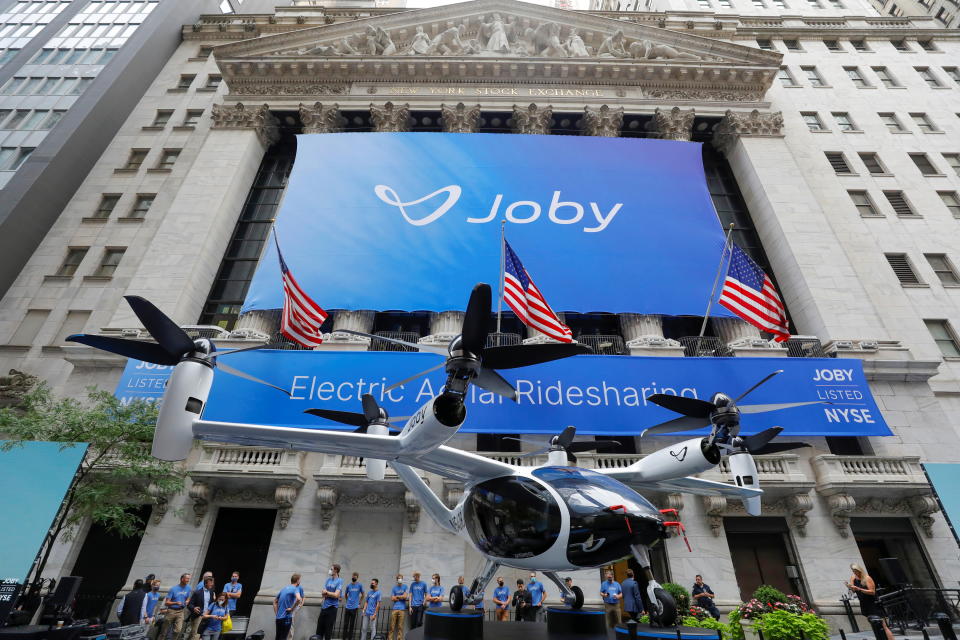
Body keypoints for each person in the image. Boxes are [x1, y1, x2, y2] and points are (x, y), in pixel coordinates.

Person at [847, 564, 894, 640]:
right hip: (864, 604)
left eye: (856, 571)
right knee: (874, 625)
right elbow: (853, 590)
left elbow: (872, 592)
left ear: (860, 570)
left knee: (883, 625)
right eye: (853, 571)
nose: (855, 573)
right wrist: (850, 587)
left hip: (873, 603)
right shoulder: (853, 577)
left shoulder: (867, 578)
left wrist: (859, 589)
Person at [160, 574, 192, 640]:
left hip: (181, 611)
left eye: (189, 579)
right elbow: (167, 602)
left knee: (178, 630)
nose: (188, 580)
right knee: (164, 631)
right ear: (182, 579)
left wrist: (187, 601)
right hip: (171, 611)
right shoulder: (173, 589)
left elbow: (188, 598)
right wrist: (176, 603)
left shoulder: (189, 588)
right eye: (187, 579)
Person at [318, 564, 343, 640]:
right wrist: (328, 594)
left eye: (331, 569)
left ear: (336, 570)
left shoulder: (340, 581)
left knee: (328, 630)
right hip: (324, 607)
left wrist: (327, 593)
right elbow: (323, 593)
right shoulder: (328, 580)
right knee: (319, 630)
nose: (330, 570)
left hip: (332, 608)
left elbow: (336, 595)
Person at [274, 574, 303, 640]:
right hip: (286, 618)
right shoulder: (295, 589)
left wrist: (277, 614)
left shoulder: (283, 589)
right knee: (283, 638)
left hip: (278, 618)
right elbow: (299, 599)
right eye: (300, 580)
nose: (300, 581)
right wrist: (292, 609)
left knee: (278, 637)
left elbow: (275, 602)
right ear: (297, 581)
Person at [344, 572, 364, 640]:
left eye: (355, 576)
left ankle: (350, 638)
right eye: (353, 576)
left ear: (357, 577)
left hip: (354, 608)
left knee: (352, 625)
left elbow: (363, 594)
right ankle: (344, 638)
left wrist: (359, 603)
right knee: (345, 624)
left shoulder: (359, 585)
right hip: (347, 607)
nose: (354, 577)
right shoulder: (348, 586)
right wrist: (347, 601)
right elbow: (345, 594)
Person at [388, 574, 408, 640]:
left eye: (401, 578)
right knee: (392, 626)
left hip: (402, 609)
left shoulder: (405, 587)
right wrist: (401, 597)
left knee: (400, 627)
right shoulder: (394, 588)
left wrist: (397, 596)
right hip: (395, 609)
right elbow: (392, 598)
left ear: (402, 579)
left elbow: (405, 596)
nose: (400, 579)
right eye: (399, 578)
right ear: (397, 580)